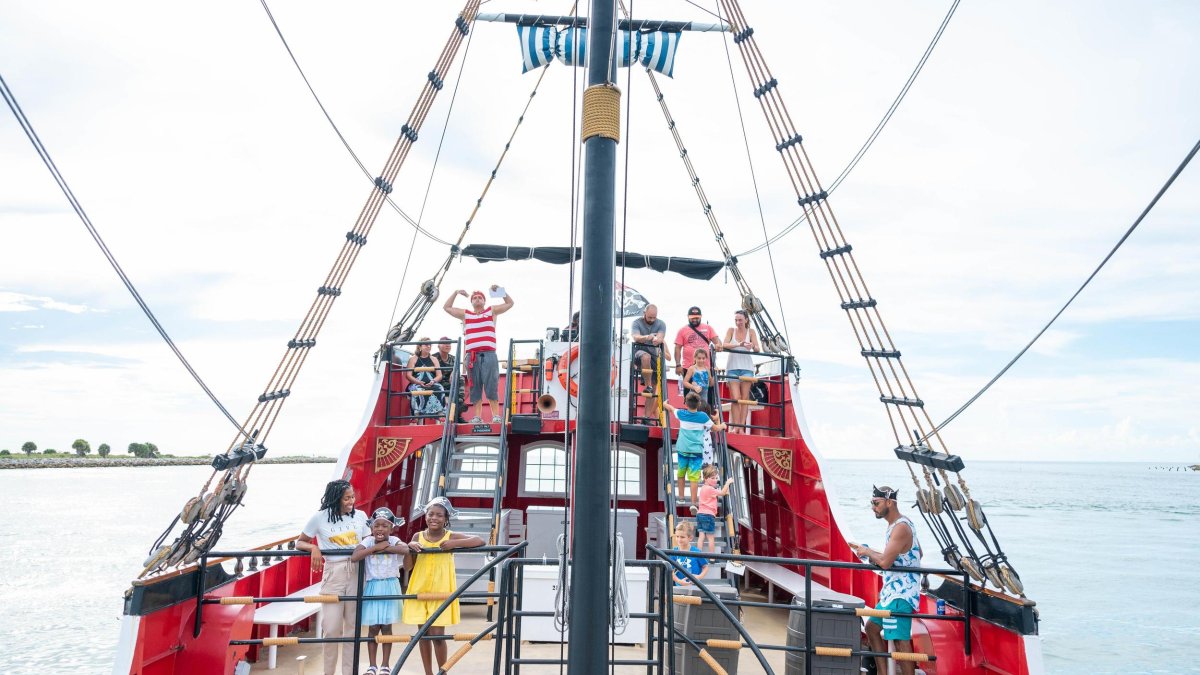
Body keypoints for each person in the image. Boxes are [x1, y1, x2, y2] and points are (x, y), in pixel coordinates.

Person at [403, 497, 484, 675]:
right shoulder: (418, 537)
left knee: (438, 635)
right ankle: (428, 673)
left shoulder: (450, 536)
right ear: (425, 516)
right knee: (422, 634)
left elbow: (479, 540)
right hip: (419, 588)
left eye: (439, 515)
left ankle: (443, 672)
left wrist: (454, 544)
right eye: (431, 514)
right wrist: (409, 547)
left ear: (446, 518)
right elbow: (408, 566)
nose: (434, 518)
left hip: (441, 591)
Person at [295, 480, 369, 675]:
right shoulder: (319, 518)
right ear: (335, 498)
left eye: (352, 497)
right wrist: (314, 548)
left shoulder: (361, 516)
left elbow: (368, 542)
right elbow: (300, 542)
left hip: (356, 571)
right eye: (347, 498)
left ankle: (349, 672)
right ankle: (329, 672)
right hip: (334, 573)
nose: (351, 501)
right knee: (331, 627)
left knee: (353, 628)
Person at [849, 486, 924, 675]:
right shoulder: (900, 524)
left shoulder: (901, 528)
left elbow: (884, 563)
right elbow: (917, 553)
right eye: (871, 503)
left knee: (900, 641)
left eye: (876, 503)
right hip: (891, 593)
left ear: (889, 502)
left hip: (902, 594)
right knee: (872, 627)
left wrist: (867, 551)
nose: (873, 507)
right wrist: (872, 553)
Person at [350, 508, 410, 675]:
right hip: (373, 587)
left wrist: (386, 547)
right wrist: (375, 548)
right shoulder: (368, 541)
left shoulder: (394, 540)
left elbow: (405, 549)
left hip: (390, 586)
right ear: (371, 527)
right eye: (377, 526)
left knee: (387, 627)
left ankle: (385, 665)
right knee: (373, 628)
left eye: (385, 526)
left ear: (391, 528)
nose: (380, 529)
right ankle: (372, 665)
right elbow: (355, 556)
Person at [442, 286, 514, 423]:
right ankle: (477, 416)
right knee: (475, 386)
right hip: (472, 356)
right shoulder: (466, 314)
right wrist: (456, 292)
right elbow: (447, 307)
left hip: (489, 354)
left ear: (484, 301)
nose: (477, 299)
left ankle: (496, 416)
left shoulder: (491, 311)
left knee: (491, 384)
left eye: (480, 297)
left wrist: (500, 291)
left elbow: (510, 303)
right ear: (471, 302)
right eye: (474, 298)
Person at [664, 393, 724, 506]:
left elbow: (671, 409)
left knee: (681, 474)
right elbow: (715, 428)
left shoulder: (681, 413)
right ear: (699, 403)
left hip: (682, 449)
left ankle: (681, 498)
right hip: (696, 451)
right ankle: (693, 502)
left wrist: (664, 404)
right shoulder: (703, 417)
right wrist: (723, 426)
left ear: (685, 403)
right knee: (694, 477)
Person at [722, 309, 760, 428]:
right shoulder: (731, 330)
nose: (738, 322)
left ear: (746, 320)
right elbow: (724, 344)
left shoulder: (751, 332)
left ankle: (741, 427)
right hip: (732, 368)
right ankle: (736, 426)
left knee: (744, 398)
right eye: (736, 320)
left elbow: (757, 348)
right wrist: (739, 344)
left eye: (740, 320)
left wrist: (752, 345)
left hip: (747, 368)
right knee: (735, 398)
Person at [673, 306, 719, 396]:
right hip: (689, 367)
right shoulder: (682, 330)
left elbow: (717, 340)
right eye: (692, 318)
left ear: (701, 316)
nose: (695, 320)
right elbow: (677, 348)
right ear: (688, 317)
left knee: (707, 397)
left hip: (705, 368)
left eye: (697, 318)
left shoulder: (708, 328)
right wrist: (678, 365)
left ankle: (706, 410)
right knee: (690, 397)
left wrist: (718, 345)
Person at [630, 304, 669, 394]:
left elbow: (660, 337)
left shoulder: (661, 324)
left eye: (654, 318)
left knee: (653, 392)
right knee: (645, 356)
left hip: (654, 356)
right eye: (649, 317)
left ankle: (650, 390)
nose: (652, 320)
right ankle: (648, 385)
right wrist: (647, 337)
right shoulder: (636, 323)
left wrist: (657, 340)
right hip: (639, 352)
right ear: (644, 313)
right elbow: (636, 337)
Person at [695, 466, 734, 556]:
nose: (715, 480)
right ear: (705, 479)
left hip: (700, 514)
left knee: (701, 536)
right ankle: (712, 557)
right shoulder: (710, 489)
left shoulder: (704, 488)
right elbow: (722, 493)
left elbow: (718, 493)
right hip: (708, 516)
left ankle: (698, 555)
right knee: (710, 538)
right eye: (712, 478)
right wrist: (727, 483)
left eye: (716, 478)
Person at [404, 338, 445, 419]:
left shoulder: (434, 359)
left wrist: (433, 381)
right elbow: (408, 375)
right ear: (420, 346)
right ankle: (415, 416)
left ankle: (440, 415)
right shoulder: (413, 359)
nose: (428, 346)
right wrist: (418, 382)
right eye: (426, 345)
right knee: (417, 390)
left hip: (431, 383)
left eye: (430, 345)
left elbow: (439, 375)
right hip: (416, 383)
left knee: (440, 388)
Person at [436, 337, 467, 422]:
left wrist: (454, 371)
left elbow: (457, 371)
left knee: (460, 378)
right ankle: (457, 413)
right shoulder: (434, 358)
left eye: (449, 343)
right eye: (445, 343)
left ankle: (459, 403)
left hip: (450, 383)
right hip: (439, 383)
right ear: (438, 345)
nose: (448, 345)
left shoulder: (453, 358)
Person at [669, 521, 709, 586]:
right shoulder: (674, 552)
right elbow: (671, 570)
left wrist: (699, 577)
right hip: (679, 587)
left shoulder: (696, 552)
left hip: (695, 587)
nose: (679, 539)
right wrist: (679, 581)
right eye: (677, 536)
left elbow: (705, 566)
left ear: (690, 538)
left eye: (682, 537)